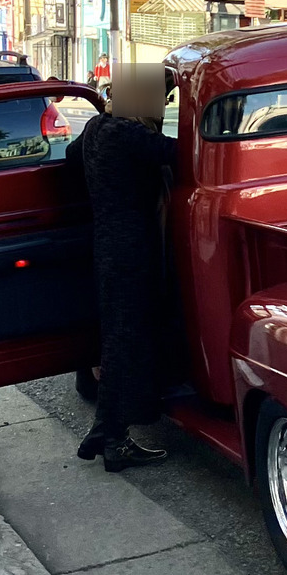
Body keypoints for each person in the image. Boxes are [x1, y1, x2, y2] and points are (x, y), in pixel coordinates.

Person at [67, 66, 177, 472]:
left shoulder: (97, 128)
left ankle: (108, 432)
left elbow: (67, 159)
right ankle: (111, 433)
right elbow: (183, 155)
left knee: (118, 336)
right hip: (134, 247)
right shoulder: (131, 135)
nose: (163, 107)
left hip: (106, 243)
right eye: (161, 99)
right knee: (128, 339)